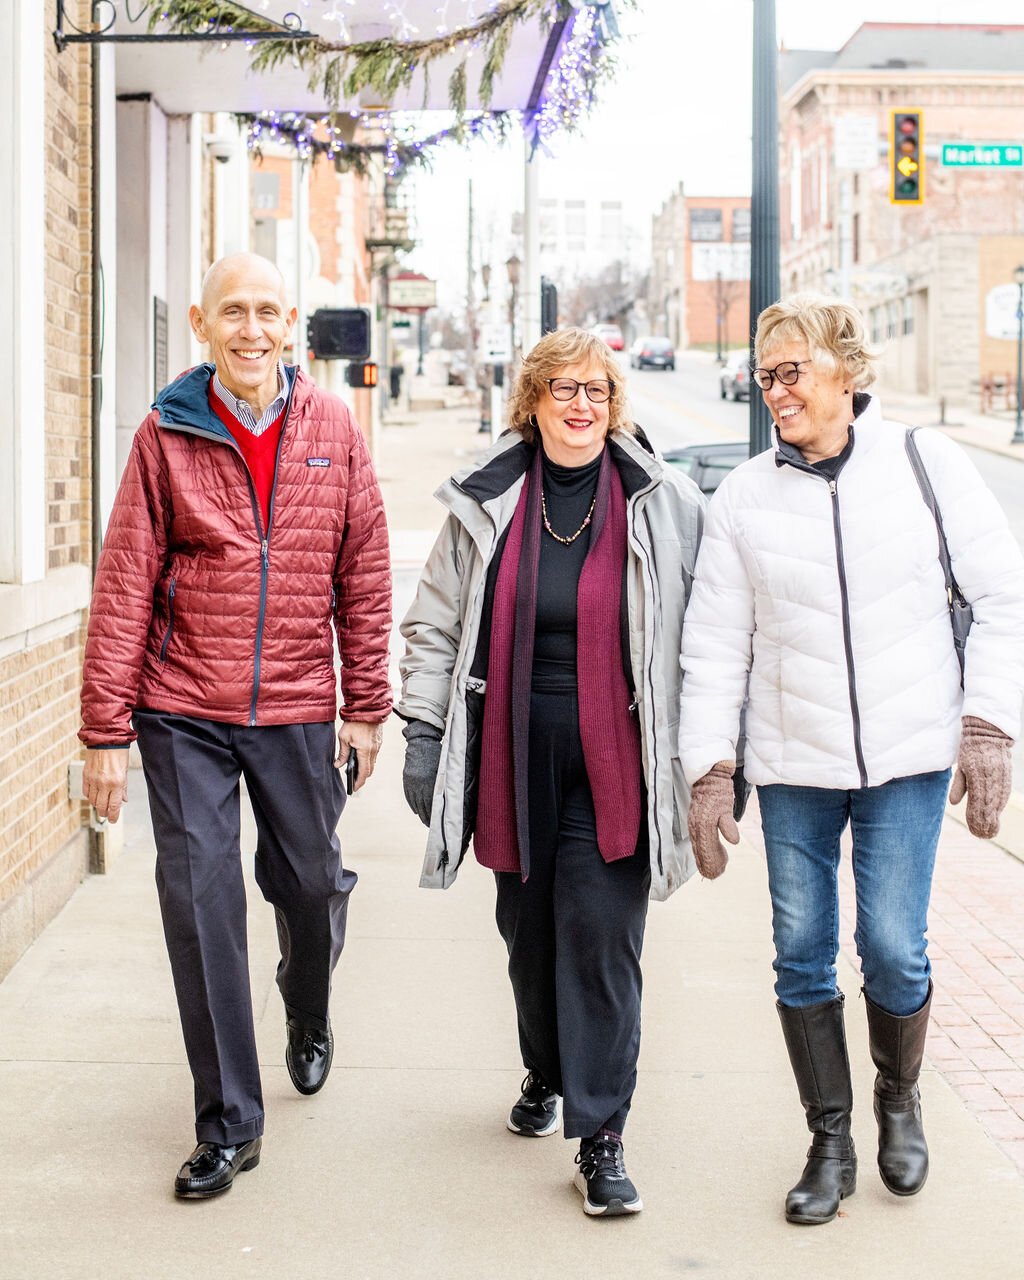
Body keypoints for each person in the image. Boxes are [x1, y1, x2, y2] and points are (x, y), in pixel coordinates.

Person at [679, 293, 1024, 1226]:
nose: (775, 391)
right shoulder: (745, 494)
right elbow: (716, 643)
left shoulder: (924, 462)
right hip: (794, 765)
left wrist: (987, 723)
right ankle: (828, 1138)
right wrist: (711, 769)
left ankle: (899, 1101)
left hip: (906, 758)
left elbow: (1001, 593)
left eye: (791, 371)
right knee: (800, 954)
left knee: (892, 948)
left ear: (846, 371)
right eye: (765, 376)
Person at [79, 253, 392, 1200]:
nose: (251, 329)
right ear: (204, 329)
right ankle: (228, 1121)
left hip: (297, 703)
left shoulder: (332, 428)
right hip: (184, 709)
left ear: (289, 323)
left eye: (267, 311)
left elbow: (365, 571)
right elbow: (126, 581)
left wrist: (366, 705)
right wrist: (104, 730)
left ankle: (307, 1004)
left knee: (307, 881)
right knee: (200, 903)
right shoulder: (165, 434)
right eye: (233, 314)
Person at [398, 327, 705, 1217]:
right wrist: (422, 731)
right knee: (529, 939)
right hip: (514, 752)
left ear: (616, 407)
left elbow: (709, 634)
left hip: (621, 754)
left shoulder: (662, 500)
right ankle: (546, 1068)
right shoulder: (487, 502)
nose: (582, 407)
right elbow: (436, 625)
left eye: (598, 392)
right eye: (564, 390)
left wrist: (719, 756)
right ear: (531, 403)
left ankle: (602, 1133)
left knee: (604, 940)